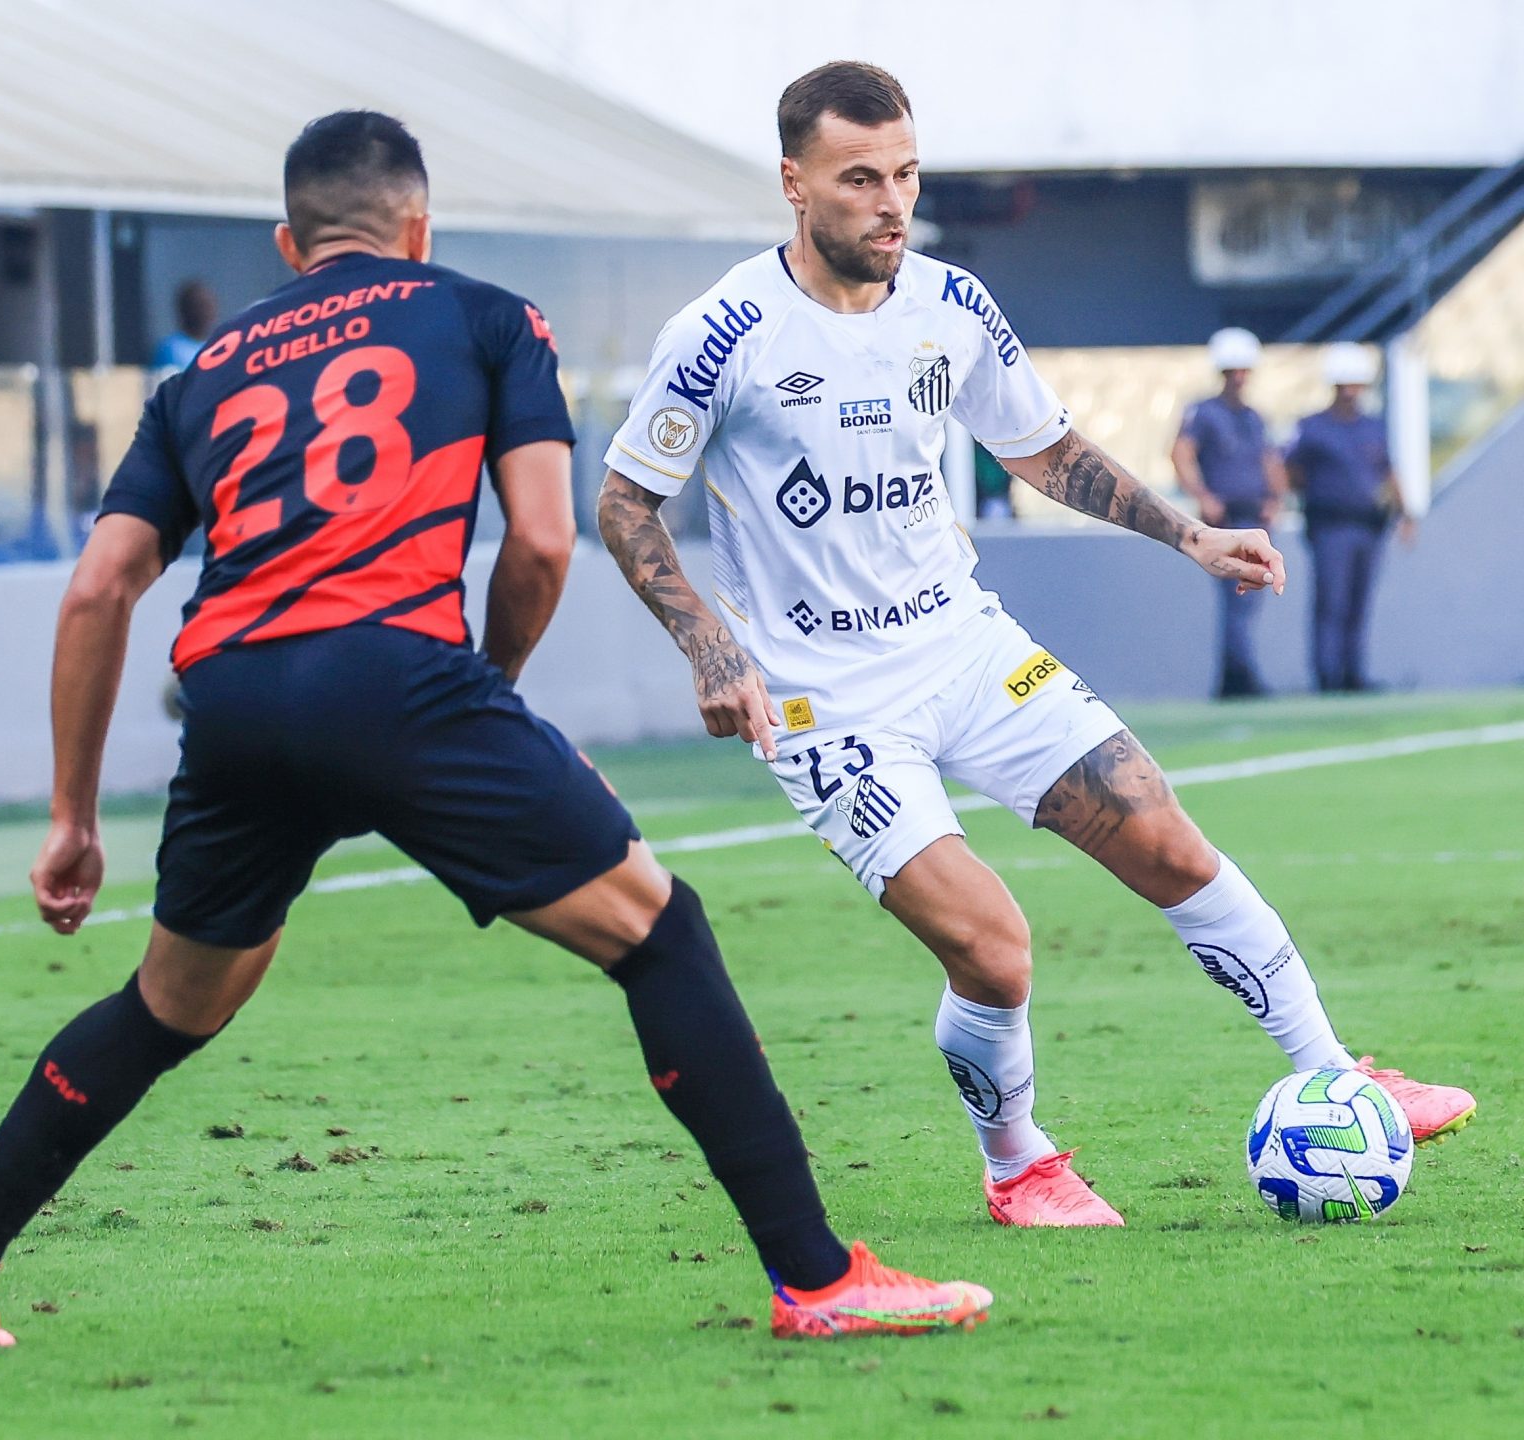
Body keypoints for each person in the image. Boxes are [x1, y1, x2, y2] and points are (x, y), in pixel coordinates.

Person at [0, 110, 992, 1350]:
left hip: (232, 699)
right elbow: (545, 537)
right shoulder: (483, 315)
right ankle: (818, 1280)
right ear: (419, 227)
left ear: (290, 244)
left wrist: (73, 818)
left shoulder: (203, 372)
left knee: (170, 1005)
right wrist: (487, 699)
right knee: (659, 935)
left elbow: (97, 590)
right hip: (397, 676)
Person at [599, 62, 1474, 1230]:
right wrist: (711, 644)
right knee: (995, 948)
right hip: (829, 704)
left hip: (966, 646)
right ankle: (1019, 1165)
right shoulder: (722, 333)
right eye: (860, 178)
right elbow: (624, 501)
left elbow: (1043, 448)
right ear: (795, 184)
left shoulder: (952, 306)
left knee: (1161, 831)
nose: (890, 201)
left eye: (905, 173)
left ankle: (1338, 1070)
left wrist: (1190, 535)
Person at [1170, 327, 1289, 697]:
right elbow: (1181, 454)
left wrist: (1276, 499)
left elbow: (1270, 462)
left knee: (1249, 597)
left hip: (1254, 516)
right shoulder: (1203, 413)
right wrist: (1202, 495)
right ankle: (1240, 676)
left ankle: (1236, 675)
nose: (1239, 379)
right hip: (1225, 520)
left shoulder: (1254, 418)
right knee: (1236, 595)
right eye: (1232, 372)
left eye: (1243, 372)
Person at [1286, 342, 1408, 693]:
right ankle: (1327, 674)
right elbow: (1290, 470)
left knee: (1358, 602)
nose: (1352, 391)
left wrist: (1405, 512)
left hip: (1369, 525)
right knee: (1332, 601)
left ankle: (1354, 672)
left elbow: (1388, 472)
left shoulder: (1372, 427)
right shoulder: (1313, 427)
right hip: (1330, 525)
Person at [149, 279, 217, 375]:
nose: (206, 311)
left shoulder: (218, 346)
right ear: (185, 310)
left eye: (209, 305)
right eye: (200, 305)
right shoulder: (170, 349)